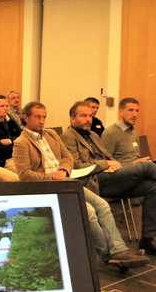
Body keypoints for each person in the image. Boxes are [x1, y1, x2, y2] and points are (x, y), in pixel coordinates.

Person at [13, 101, 148, 268]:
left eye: (44, 117)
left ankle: (118, 251)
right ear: (26, 118)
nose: (42, 121)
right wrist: (51, 177)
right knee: (89, 211)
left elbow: (67, 158)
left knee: (103, 205)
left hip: (65, 180)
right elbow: (24, 175)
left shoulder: (51, 135)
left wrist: (63, 171)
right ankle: (109, 255)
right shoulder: (21, 143)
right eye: (37, 117)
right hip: (46, 186)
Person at [61, 100, 156, 254]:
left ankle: (147, 240)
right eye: (83, 116)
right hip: (95, 180)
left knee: (152, 187)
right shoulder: (68, 137)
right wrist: (105, 164)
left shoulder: (92, 135)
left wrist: (117, 164)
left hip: (112, 177)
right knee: (146, 167)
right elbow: (77, 167)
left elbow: (111, 158)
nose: (88, 119)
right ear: (72, 119)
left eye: (90, 116)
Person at [101, 97, 153, 166]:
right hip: (121, 173)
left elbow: (135, 157)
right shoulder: (110, 133)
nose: (135, 114)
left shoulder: (134, 132)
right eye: (130, 110)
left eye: (137, 111)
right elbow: (104, 162)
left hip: (137, 170)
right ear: (121, 112)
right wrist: (133, 164)